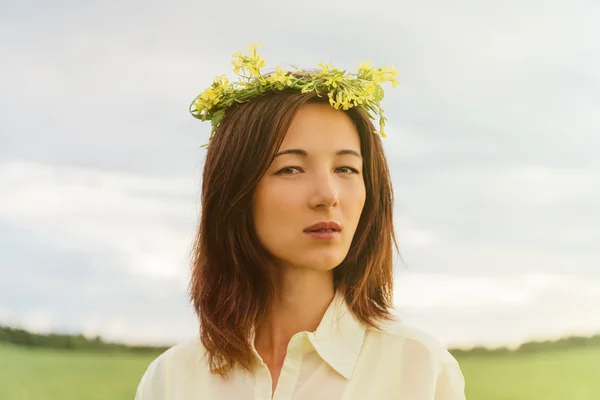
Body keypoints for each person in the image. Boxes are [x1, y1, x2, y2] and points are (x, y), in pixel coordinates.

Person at [134, 44, 466, 400]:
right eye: (290, 168)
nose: (327, 195)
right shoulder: (173, 379)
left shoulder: (420, 370)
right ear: (235, 191)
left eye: (346, 169)